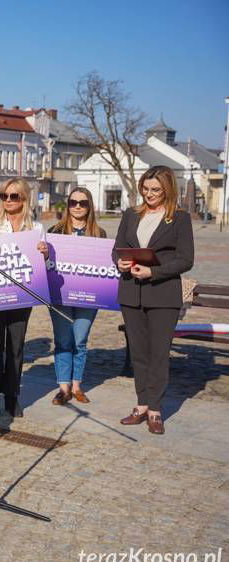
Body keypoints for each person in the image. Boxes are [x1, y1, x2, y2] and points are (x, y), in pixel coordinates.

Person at [114, 165, 194, 435]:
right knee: (139, 353)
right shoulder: (130, 214)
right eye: (146, 189)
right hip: (130, 294)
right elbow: (116, 250)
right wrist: (121, 262)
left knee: (159, 354)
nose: (149, 194)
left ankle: (156, 409)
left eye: (156, 190)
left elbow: (186, 259)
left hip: (162, 294)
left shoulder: (180, 219)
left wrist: (153, 271)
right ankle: (141, 405)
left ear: (168, 189)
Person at [0, 178, 49, 418]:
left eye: (14, 196)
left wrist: (45, 254)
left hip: (22, 294)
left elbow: (45, 265)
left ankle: (12, 396)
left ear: (24, 199)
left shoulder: (37, 228)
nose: (8, 200)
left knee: (16, 347)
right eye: (4, 196)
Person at [47, 187, 106, 406]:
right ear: (68, 205)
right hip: (60, 295)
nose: (78, 206)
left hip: (88, 295)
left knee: (80, 340)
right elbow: (46, 263)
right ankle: (63, 388)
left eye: (83, 202)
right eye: (73, 202)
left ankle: (77, 385)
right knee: (63, 340)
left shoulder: (99, 233)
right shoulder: (55, 230)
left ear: (89, 205)